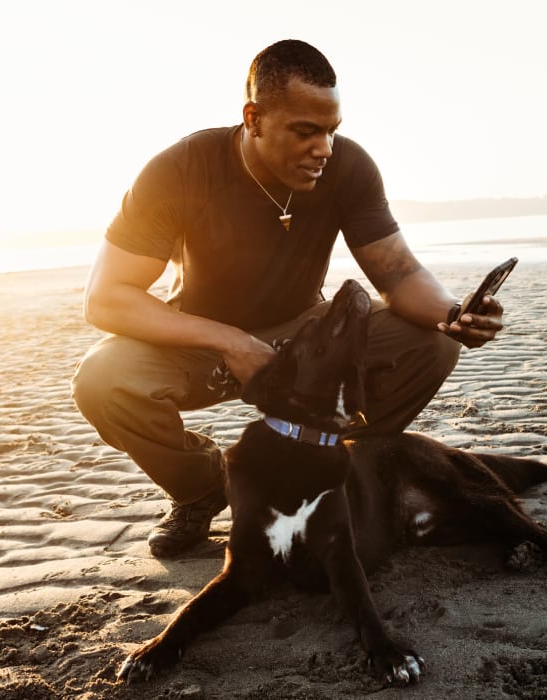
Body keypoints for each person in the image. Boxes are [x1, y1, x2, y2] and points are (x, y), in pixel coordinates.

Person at [71, 39, 505, 558]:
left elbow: (398, 270)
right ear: (253, 118)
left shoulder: (347, 167)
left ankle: (344, 477)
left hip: (307, 338)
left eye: (331, 131)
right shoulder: (181, 169)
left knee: (433, 344)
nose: (323, 148)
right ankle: (202, 489)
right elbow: (106, 297)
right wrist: (230, 341)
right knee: (102, 381)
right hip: (198, 341)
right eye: (305, 131)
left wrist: (453, 314)